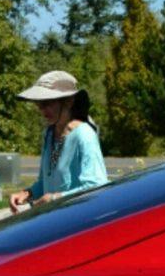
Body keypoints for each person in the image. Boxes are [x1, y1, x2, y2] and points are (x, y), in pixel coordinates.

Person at [9, 70, 108, 213]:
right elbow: (47, 180)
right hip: (54, 220)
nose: (42, 111)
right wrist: (27, 193)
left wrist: (56, 198)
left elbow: (97, 186)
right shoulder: (49, 135)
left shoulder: (84, 135)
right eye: (39, 105)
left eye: (47, 103)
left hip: (78, 222)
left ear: (69, 101)